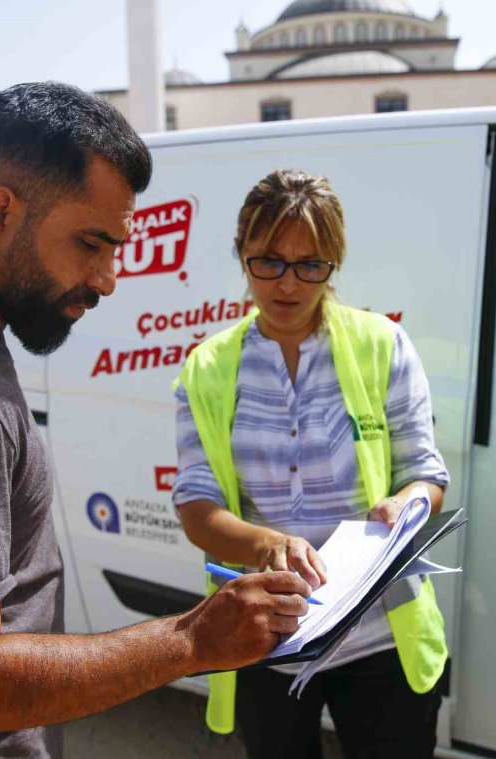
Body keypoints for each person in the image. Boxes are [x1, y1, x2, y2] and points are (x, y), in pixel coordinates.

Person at [0, 83, 314, 758]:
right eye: (92, 243)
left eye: (117, 248)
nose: (107, 278)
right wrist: (192, 640)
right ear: (0, 212)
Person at [172, 169, 451, 759]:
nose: (288, 283)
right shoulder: (207, 367)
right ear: (242, 255)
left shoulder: (383, 345)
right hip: (266, 640)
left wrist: (409, 502)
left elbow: (427, 472)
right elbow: (197, 509)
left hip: (380, 640)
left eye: (311, 264)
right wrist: (266, 544)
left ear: (334, 263)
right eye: (268, 261)